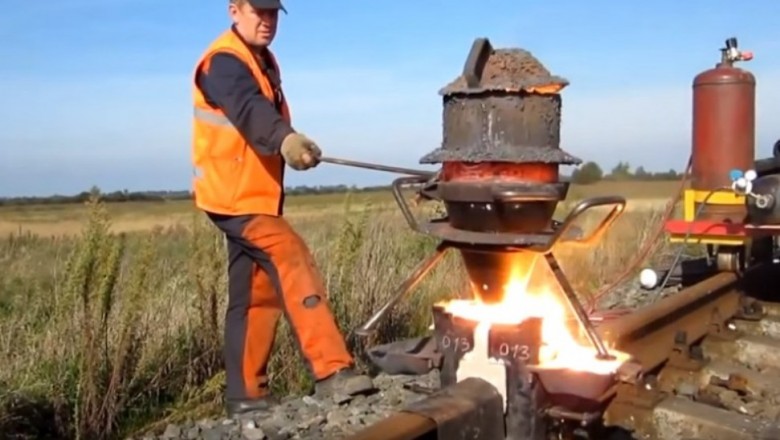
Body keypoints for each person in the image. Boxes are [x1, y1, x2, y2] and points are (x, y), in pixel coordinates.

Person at [190, 0, 374, 418]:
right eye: (259, 12)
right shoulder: (222, 61)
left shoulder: (264, 61)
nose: (268, 21)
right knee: (291, 257)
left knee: (256, 293)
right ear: (234, 10)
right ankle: (333, 373)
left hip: (254, 196)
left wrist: (287, 140)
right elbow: (249, 109)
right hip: (234, 198)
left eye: (273, 13)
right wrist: (286, 140)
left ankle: (245, 395)